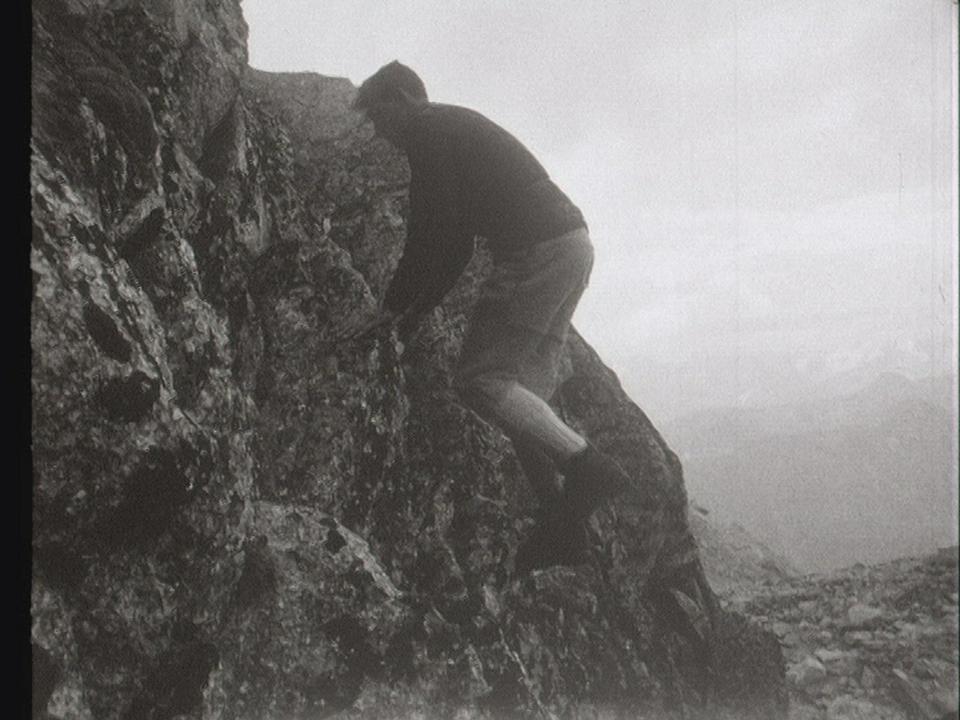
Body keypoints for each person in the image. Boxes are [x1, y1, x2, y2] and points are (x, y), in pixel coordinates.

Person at [352, 61, 632, 571]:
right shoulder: (453, 129)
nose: (378, 132)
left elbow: (428, 233)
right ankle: (562, 526)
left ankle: (589, 469)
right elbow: (456, 245)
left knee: (482, 379)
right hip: (572, 245)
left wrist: (393, 307)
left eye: (377, 116)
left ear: (403, 100)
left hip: (536, 251)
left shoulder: (427, 130)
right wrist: (416, 311)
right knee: (522, 392)